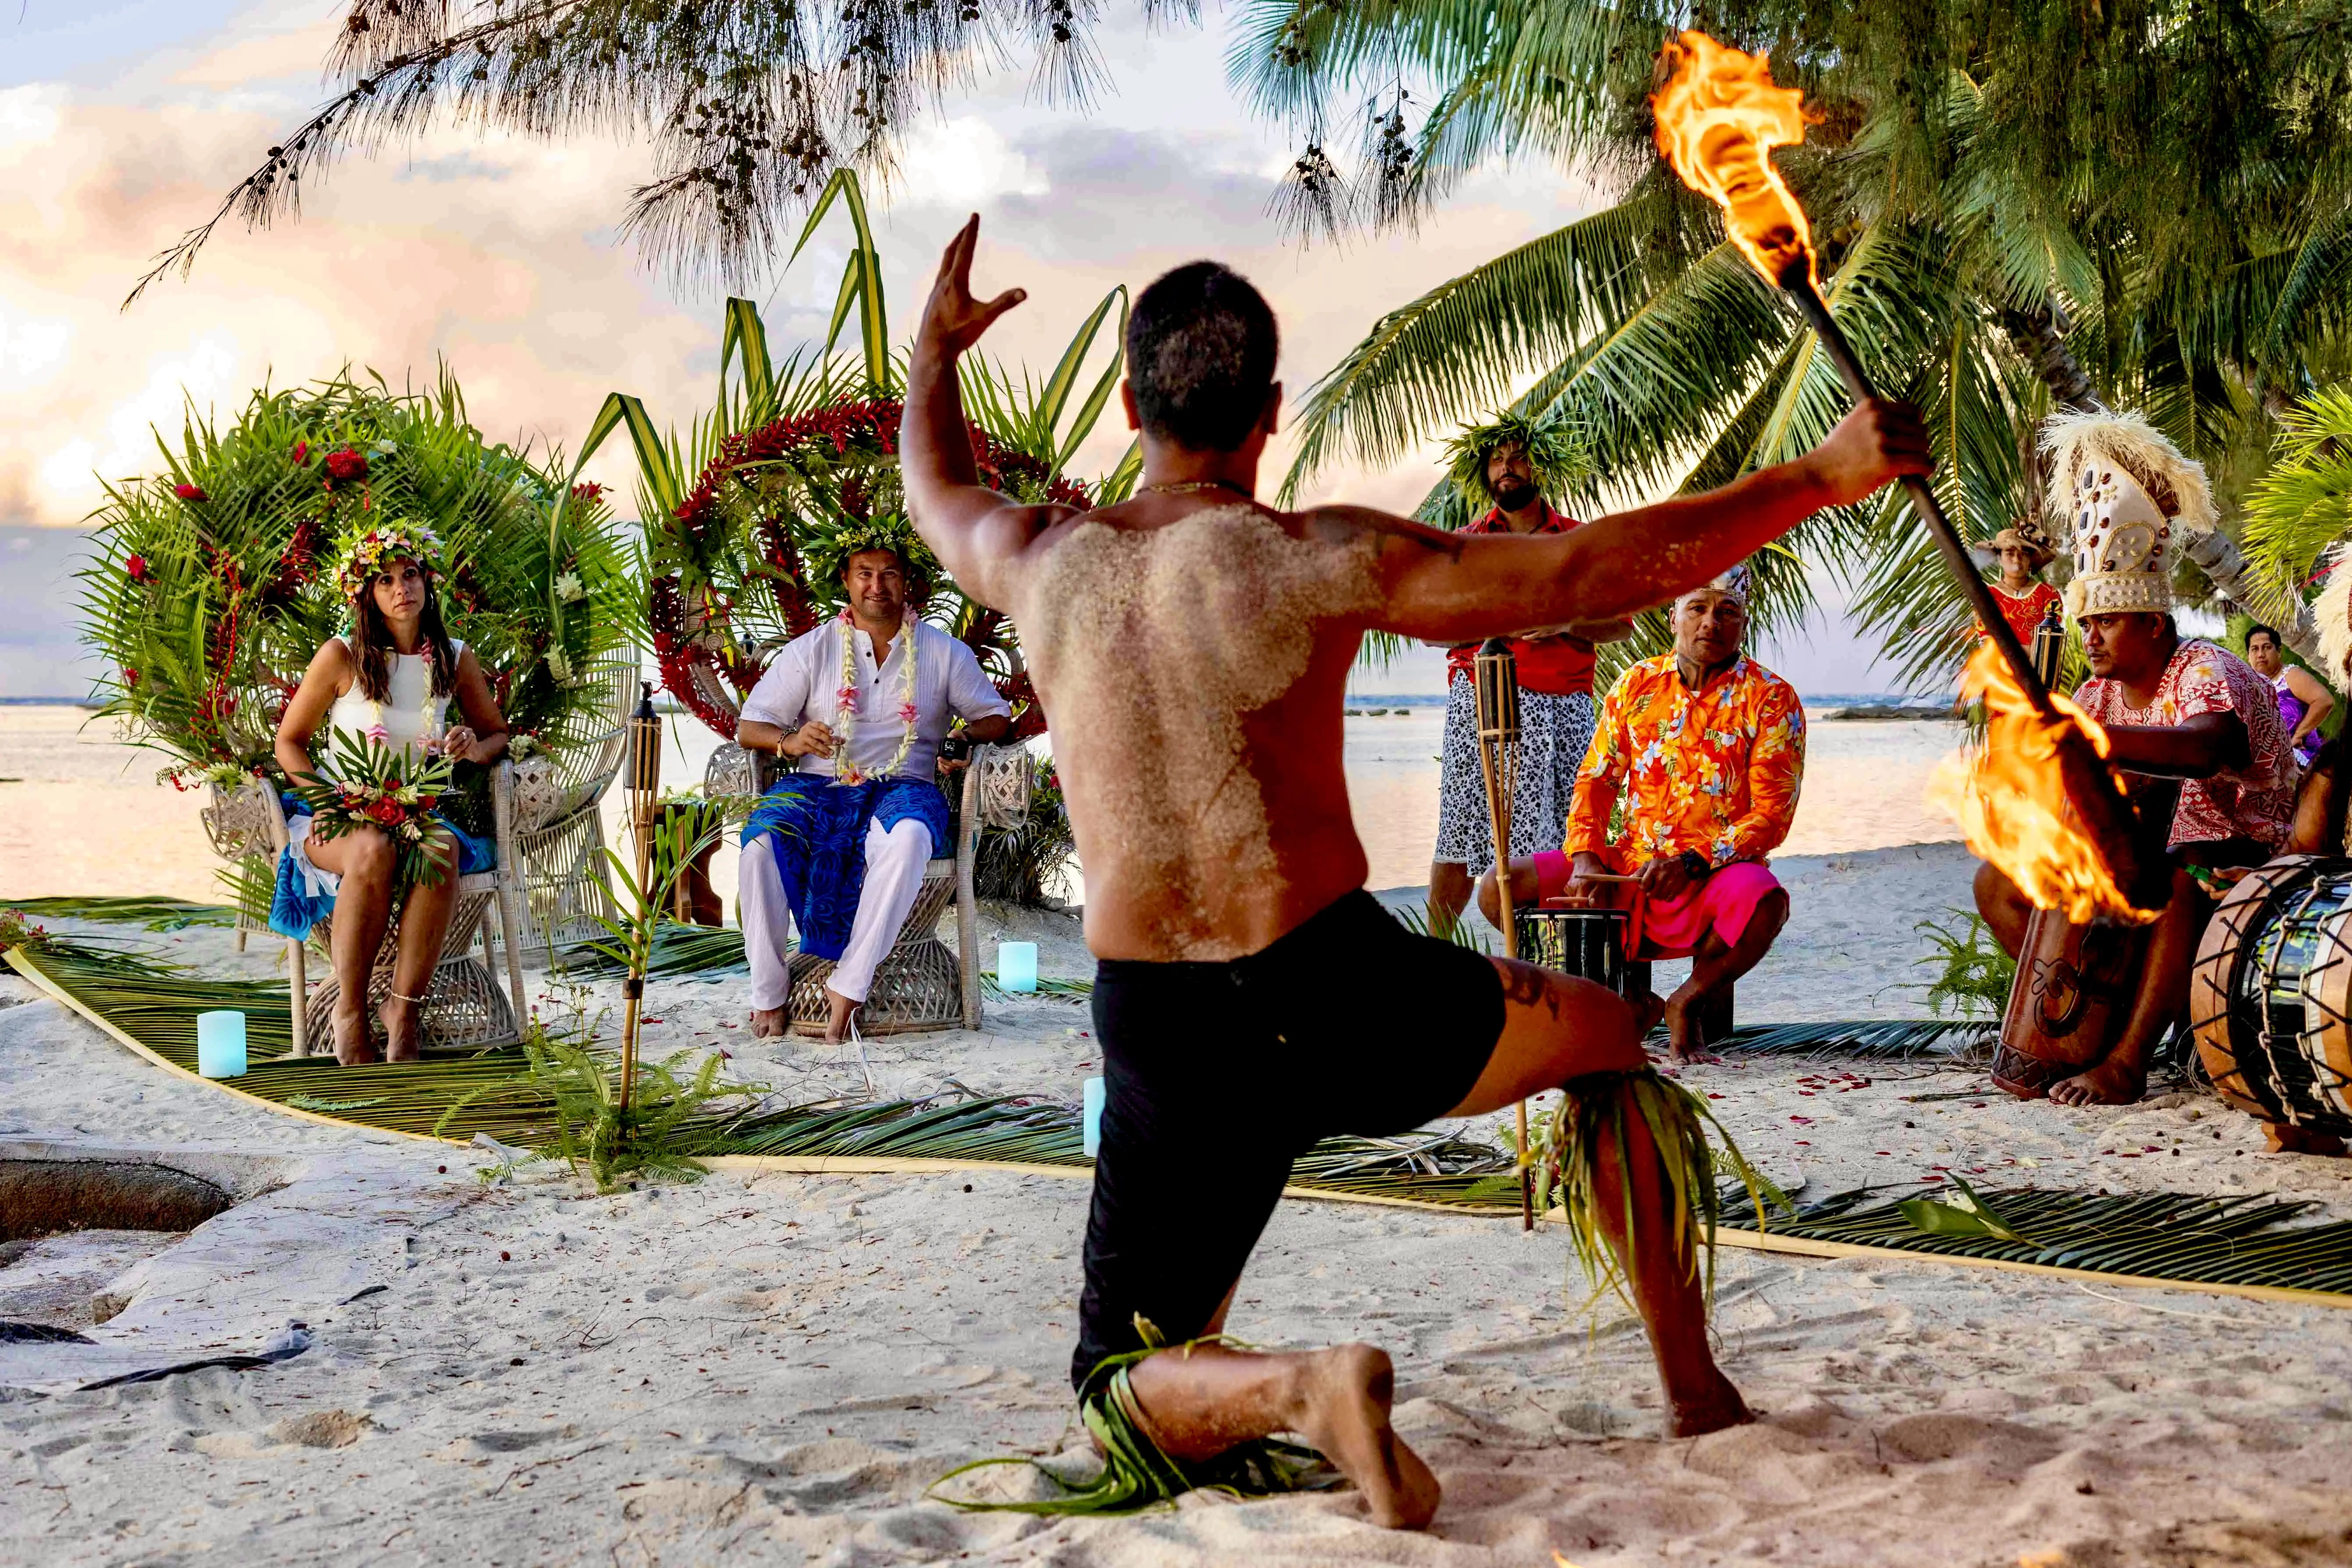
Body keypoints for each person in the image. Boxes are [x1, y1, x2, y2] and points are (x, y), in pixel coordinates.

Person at [897, 218, 1930, 1529]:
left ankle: (1302, 1389)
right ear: (1270, 411)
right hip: (1338, 990)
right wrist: (1817, 474)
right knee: (1608, 1037)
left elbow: (930, 487)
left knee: (1119, 1380)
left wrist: (933, 352)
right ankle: (1689, 1386)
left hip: (1160, 1022)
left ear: (1125, 406)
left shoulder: (1039, 561)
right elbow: (1579, 566)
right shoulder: (1312, 552)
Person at [1974, 411, 2292, 1107]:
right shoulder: (2094, 692)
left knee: (2177, 880)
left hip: (2241, 861)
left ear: (2152, 623)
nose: (2089, 637)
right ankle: (2083, 1020)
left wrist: (2086, 743)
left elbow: (2207, 747)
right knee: (1995, 885)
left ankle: (2125, 1061)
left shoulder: (2205, 666)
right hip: (2135, 861)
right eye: (2084, 623)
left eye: (2105, 622)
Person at [1476, 565, 1804, 1062]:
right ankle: (1627, 996)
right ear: (1674, 616)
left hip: (1713, 876)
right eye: (1697, 608)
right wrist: (1586, 856)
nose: (1710, 622)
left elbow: (1772, 814)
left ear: (1743, 622)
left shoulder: (1772, 697)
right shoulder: (1636, 683)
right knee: (1500, 885)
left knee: (1767, 903)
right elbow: (1597, 779)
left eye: (1726, 611)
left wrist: (1694, 862)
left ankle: (1686, 1001)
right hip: (1627, 870)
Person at [734, 524, 1013, 1044]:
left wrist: (960, 736)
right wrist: (792, 741)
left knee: (909, 839)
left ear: (908, 583)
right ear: (846, 579)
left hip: (905, 783)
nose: (877, 585)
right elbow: (752, 726)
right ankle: (768, 992)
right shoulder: (812, 649)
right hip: (818, 784)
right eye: (865, 573)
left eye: (889, 574)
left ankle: (851, 984)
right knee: (759, 848)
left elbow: (996, 717)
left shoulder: (943, 652)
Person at [272, 520, 509, 1065]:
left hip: (414, 810)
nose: (402, 588)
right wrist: (327, 802)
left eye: (410, 575)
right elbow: (290, 742)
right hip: (338, 812)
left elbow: (497, 734)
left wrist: (471, 745)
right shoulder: (342, 656)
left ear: (428, 583)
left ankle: (403, 1011)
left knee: (441, 849)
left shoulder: (452, 656)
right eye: (385, 580)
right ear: (367, 593)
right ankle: (351, 1009)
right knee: (372, 848)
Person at [1425, 415, 1630, 937]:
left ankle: (1557, 962)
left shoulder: (1579, 542)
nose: (1507, 468)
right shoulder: (1466, 545)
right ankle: (1433, 960)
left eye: (1518, 457)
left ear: (1542, 464)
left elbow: (1620, 626)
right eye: (1496, 460)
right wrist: (1499, 617)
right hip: (1483, 705)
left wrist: (1564, 620)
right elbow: (1428, 630)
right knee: (1458, 839)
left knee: (1569, 842)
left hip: (1565, 709)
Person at [2244, 623, 2333, 770]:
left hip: (2302, 762)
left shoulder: (2290, 675)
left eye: (2267, 647)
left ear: (2279, 652)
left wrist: (2299, 735)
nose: (2261, 654)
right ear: (2249, 656)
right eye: (2255, 649)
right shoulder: (2249, 689)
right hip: (2265, 765)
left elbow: (2325, 701)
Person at [1978, 524, 2061, 650]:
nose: (2017, 561)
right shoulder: (1986, 597)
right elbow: (1988, 646)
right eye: (2010, 554)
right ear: (2000, 559)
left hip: (2039, 670)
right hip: (1997, 669)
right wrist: (2029, 650)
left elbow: (2049, 644)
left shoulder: (2049, 594)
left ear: (2030, 560)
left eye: (2023, 554)